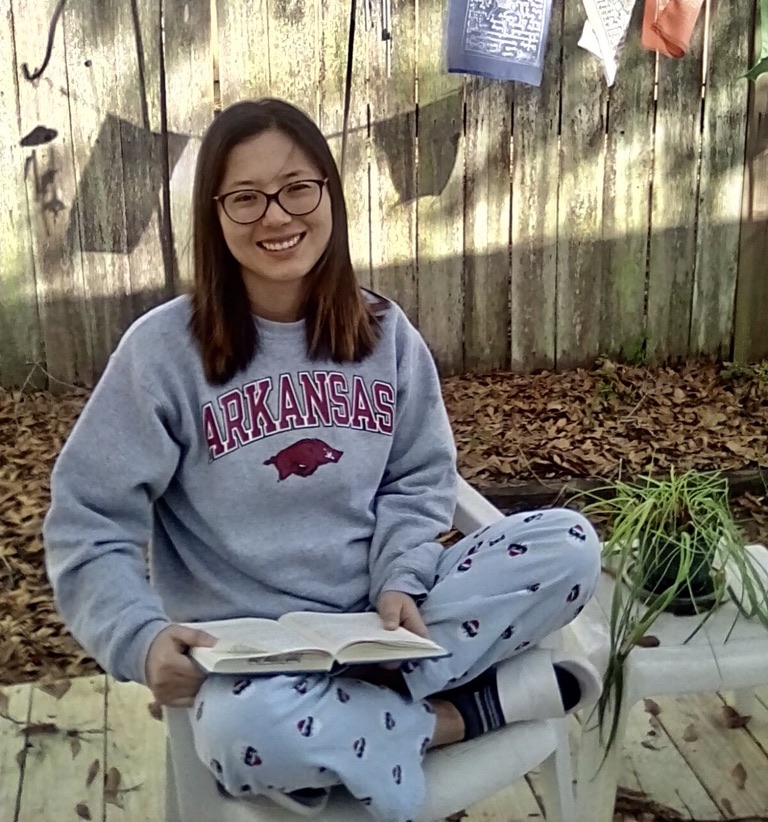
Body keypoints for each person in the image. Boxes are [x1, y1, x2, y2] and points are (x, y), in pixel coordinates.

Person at [44, 98, 602, 822]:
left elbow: (419, 478)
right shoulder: (161, 354)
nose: (276, 216)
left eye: (297, 187)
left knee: (570, 545)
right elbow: (87, 521)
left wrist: (401, 578)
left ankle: (356, 724)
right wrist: (141, 637)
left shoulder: (385, 334)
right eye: (245, 198)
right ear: (215, 216)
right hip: (250, 657)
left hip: (389, 620)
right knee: (248, 737)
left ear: (329, 195)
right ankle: (458, 718)